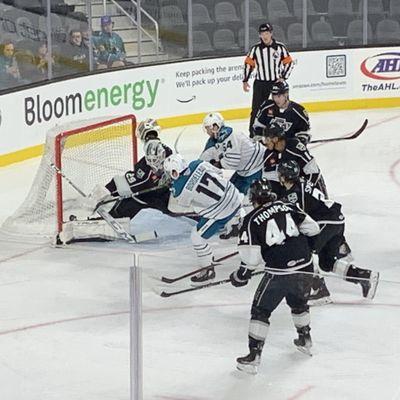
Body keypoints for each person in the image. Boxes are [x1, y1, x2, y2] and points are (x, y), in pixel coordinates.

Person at [230, 179, 320, 374]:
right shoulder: (288, 205)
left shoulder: (251, 219)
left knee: (261, 310)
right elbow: (313, 229)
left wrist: (240, 276)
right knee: (299, 303)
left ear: (253, 198)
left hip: (280, 273)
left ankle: (253, 357)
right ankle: (305, 339)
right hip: (305, 266)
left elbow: (251, 260)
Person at [277, 160, 380, 303]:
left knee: (304, 252)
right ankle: (364, 277)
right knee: (326, 262)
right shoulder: (301, 183)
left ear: (282, 177)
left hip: (326, 222)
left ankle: (320, 291)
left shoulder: (294, 193)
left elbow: (300, 218)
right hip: (335, 220)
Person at [60, 119, 174, 244]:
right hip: (163, 197)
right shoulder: (166, 152)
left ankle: (77, 230)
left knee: (119, 214)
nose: (154, 163)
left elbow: (124, 184)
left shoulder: (145, 169)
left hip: (151, 199)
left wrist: (101, 195)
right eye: (151, 160)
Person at [164, 154, 244, 283]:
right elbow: (220, 173)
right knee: (230, 196)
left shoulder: (178, 189)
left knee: (196, 236)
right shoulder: (198, 163)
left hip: (222, 211)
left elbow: (179, 208)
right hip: (236, 196)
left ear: (174, 172)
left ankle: (207, 269)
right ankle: (235, 224)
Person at [200, 112, 271, 196]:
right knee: (229, 194)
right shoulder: (217, 139)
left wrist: (218, 164)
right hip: (244, 170)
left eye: (208, 128)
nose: (207, 131)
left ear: (215, 126)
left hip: (257, 167)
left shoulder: (231, 137)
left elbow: (232, 163)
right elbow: (204, 158)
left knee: (246, 198)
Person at [243, 23, 294, 136]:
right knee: (256, 109)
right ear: (259, 35)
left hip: (276, 83)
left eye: (267, 33)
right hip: (260, 83)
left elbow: (289, 62)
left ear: (271, 33)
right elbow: (248, 64)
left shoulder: (280, 47)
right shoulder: (255, 49)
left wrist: (283, 77)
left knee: (284, 107)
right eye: (262, 34)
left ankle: (288, 132)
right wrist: (245, 80)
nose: (265, 36)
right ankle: (253, 134)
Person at [262, 124, 328, 197]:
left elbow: (313, 172)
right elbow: (270, 180)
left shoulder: (295, 147)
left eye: (267, 139)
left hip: (310, 183)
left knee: (322, 206)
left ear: (275, 139)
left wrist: (306, 190)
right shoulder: (268, 154)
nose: (265, 143)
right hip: (290, 189)